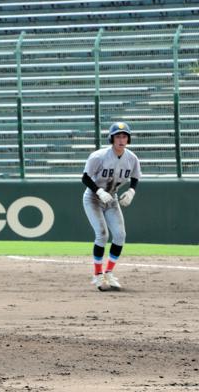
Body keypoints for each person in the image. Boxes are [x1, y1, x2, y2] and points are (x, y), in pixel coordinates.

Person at [82, 121, 141, 291]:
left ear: (128, 139)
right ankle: (98, 275)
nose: (121, 139)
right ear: (112, 138)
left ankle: (109, 272)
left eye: (124, 136)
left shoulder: (131, 158)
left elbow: (135, 177)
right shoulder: (99, 156)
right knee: (102, 234)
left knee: (120, 235)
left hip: (112, 199)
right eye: (117, 136)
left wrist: (131, 192)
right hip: (93, 198)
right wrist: (99, 191)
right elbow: (85, 178)